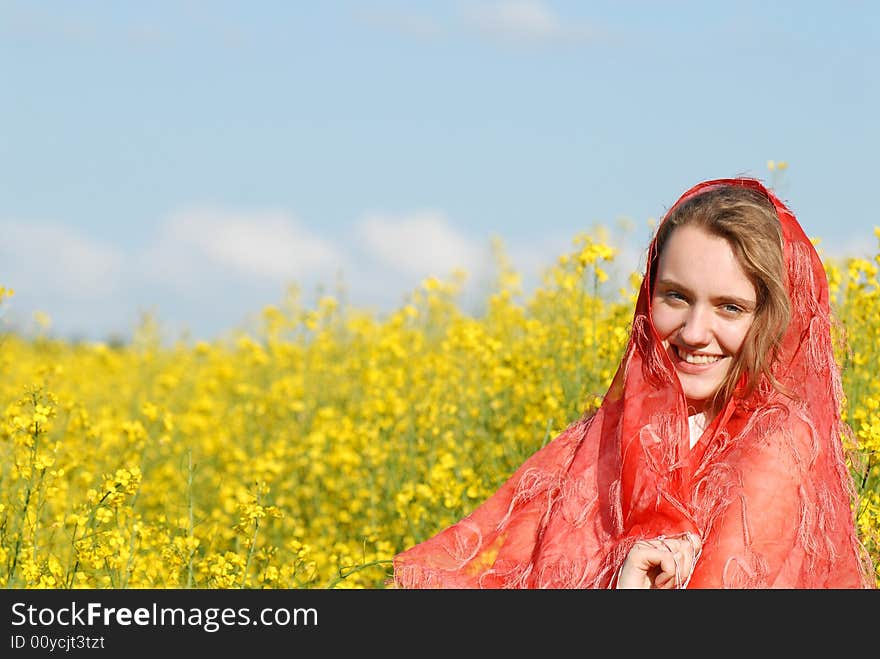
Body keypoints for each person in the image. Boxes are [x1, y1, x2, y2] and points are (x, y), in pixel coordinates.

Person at [391, 177, 875, 589]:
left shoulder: (777, 449)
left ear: (772, 319)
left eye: (730, 307)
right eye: (676, 297)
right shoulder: (597, 440)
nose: (692, 332)